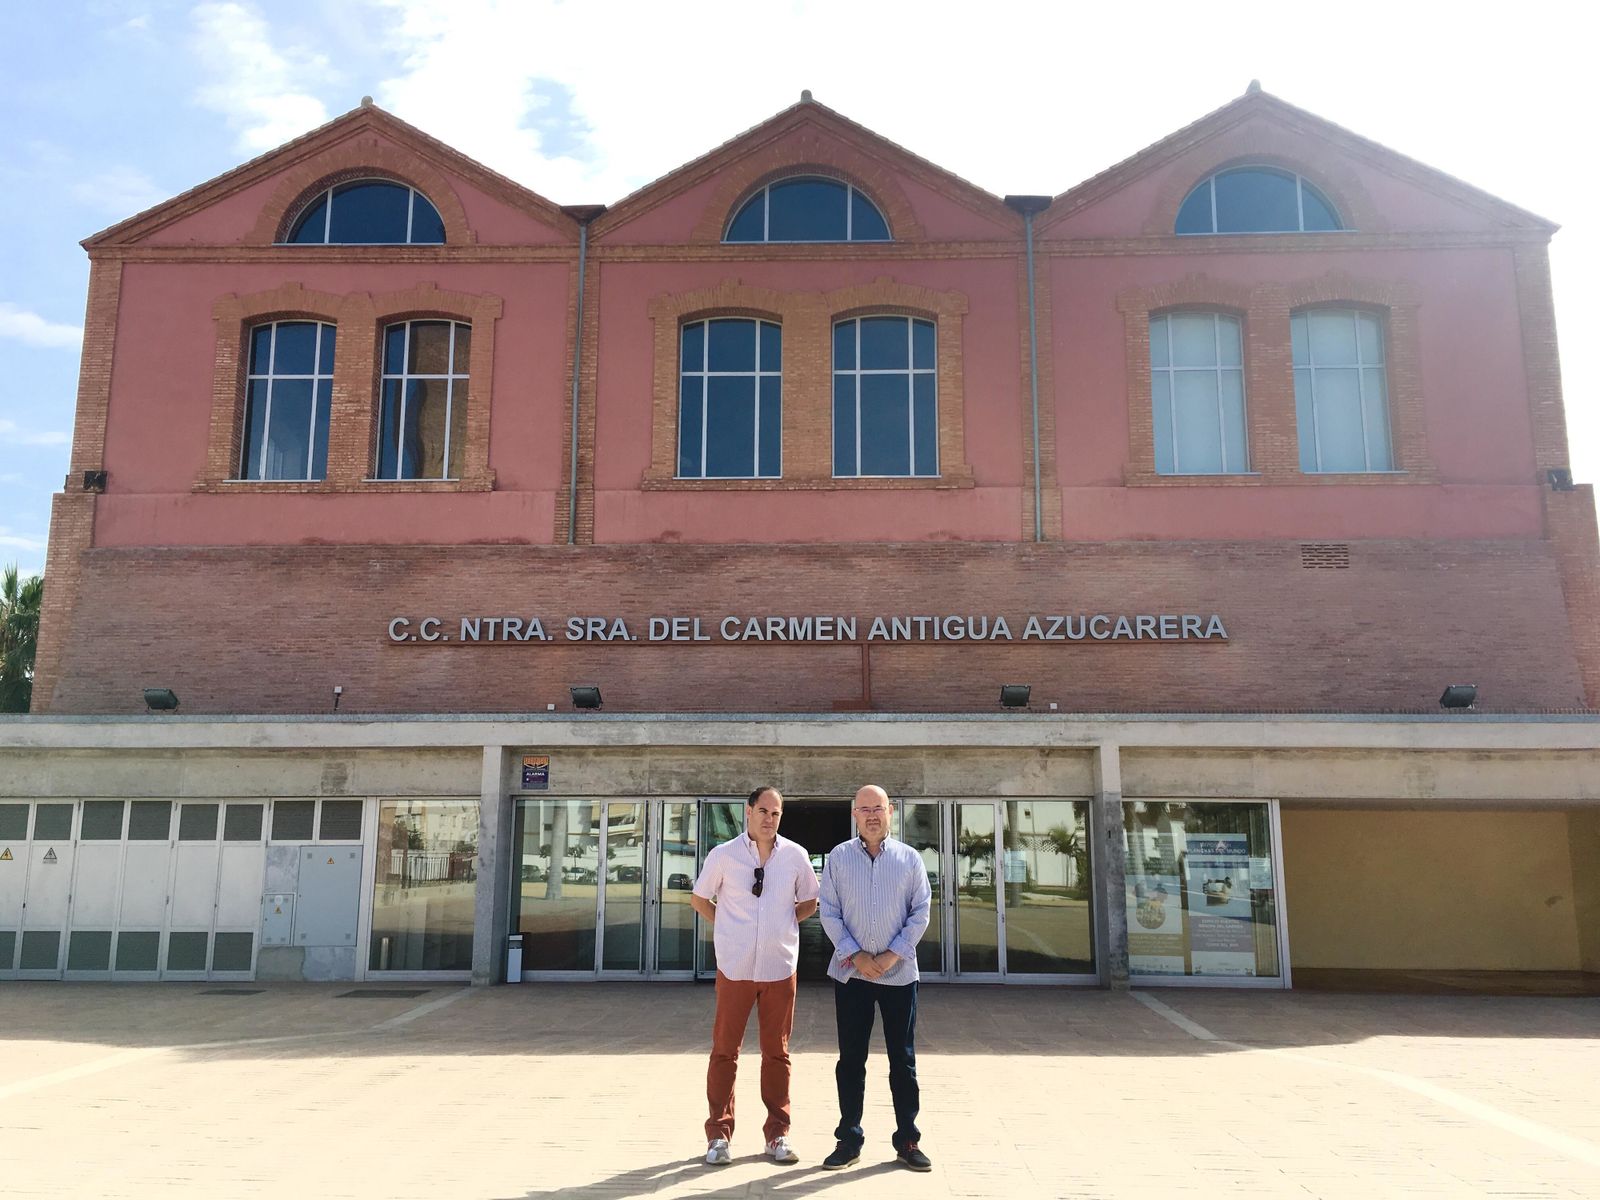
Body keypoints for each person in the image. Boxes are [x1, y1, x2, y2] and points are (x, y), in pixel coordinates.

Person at [689, 785, 820, 1166]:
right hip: (736, 968)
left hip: (779, 969)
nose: (769, 819)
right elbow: (700, 898)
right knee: (725, 1052)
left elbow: (810, 900)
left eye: (776, 813)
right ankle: (718, 1136)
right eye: (763, 810)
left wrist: (783, 924)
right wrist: (728, 926)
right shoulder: (724, 855)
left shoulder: (795, 856)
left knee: (777, 1054)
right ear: (748, 812)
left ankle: (777, 1134)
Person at [817, 784, 933, 1172]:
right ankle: (848, 1139)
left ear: (891, 812)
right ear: (854, 815)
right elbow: (828, 912)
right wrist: (858, 955)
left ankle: (908, 1139)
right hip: (852, 975)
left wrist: (889, 956)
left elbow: (921, 912)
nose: (871, 815)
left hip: (898, 975)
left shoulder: (909, 859)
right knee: (851, 1059)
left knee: (903, 1059)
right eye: (864, 808)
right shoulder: (837, 859)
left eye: (878, 808)